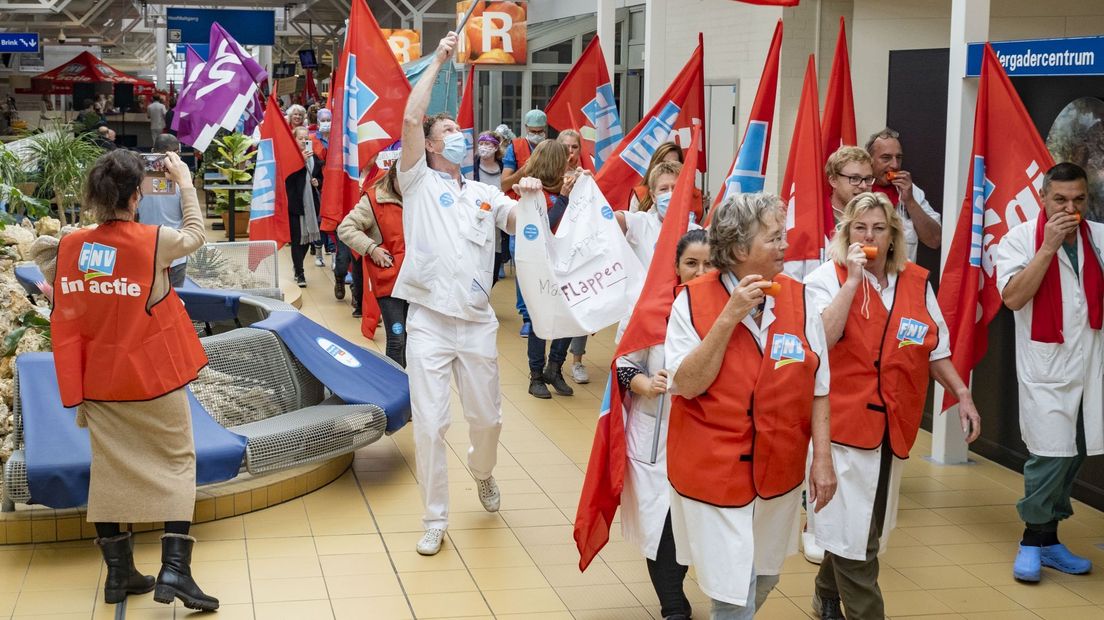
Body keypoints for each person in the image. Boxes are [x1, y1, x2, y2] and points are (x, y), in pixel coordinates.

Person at [44, 150, 217, 610]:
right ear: (136, 196)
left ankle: (119, 576)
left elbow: (66, 295)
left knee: (109, 469)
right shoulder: (152, 239)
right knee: (178, 461)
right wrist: (183, 181)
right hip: (150, 379)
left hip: (99, 382)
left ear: (95, 196)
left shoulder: (72, 245)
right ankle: (175, 571)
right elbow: (197, 235)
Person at [804, 192, 981, 620]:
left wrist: (963, 393)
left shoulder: (916, 282)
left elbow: (932, 347)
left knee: (865, 526)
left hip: (893, 426)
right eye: (860, 228)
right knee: (856, 541)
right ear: (845, 233)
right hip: (842, 429)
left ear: (893, 236)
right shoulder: (825, 278)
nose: (869, 236)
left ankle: (826, 590)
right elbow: (820, 342)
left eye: (879, 228)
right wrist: (852, 282)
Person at [664, 192, 836, 618]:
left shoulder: (801, 298)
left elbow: (819, 386)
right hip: (715, 469)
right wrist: (730, 316)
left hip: (779, 467)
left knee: (766, 573)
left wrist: (823, 460)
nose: (785, 245)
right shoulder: (690, 300)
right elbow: (686, 384)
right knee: (733, 591)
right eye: (775, 238)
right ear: (740, 249)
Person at [397, 31, 531, 556]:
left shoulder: (482, 193)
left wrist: (535, 202)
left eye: (460, 131)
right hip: (428, 320)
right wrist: (438, 60)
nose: (458, 136)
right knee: (430, 425)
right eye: (448, 131)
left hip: (475, 322)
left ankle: (483, 472)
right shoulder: (416, 183)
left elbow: (516, 220)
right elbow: (411, 118)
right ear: (431, 145)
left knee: (488, 420)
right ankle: (434, 519)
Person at [996, 162, 1103, 583]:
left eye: (1078, 199)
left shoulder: (1098, 240)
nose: (1070, 208)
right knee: (1047, 457)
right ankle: (1030, 539)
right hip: (1047, 367)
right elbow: (1013, 298)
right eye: (1060, 199)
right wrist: (1047, 248)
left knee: (1074, 452)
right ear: (1042, 197)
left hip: (1090, 368)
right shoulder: (1019, 239)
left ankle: (1049, 541)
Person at [619, 228, 713, 620]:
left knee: (698, 521)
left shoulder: (731, 312)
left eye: (709, 263)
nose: (700, 271)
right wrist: (648, 384)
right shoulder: (650, 309)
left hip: (707, 437)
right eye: (691, 263)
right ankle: (673, 605)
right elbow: (624, 366)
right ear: (676, 266)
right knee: (663, 524)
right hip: (656, 435)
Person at [516, 139, 577, 400]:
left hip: (565, 267)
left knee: (570, 319)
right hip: (538, 269)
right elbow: (544, 230)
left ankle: (555, 368)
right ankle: (536, 376)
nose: (568, 162)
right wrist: (563, 199)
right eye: (563, 159)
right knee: (540, 322)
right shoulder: (533, 193)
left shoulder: (567, 187)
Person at [338, 164, 406, 365]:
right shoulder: (374, 199)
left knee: (413, 338)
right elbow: (346, 228)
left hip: (417, 279)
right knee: (397, 337)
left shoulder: (423, 196)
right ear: (393, 176)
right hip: (390, 281)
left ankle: (410, 385)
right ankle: (394, 390)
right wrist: (371, 248)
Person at [866, 128, 942, 261]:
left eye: (898, 158)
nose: (895, 165)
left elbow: (934, 240)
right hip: (865, 276)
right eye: (886, 158)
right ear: (869, 160)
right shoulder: (859, 189)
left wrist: (910, 201)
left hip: (902, 278)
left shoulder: (911, 191)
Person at [616, 161, 702, 269]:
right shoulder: (641, 223)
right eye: (664, 189)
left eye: (676, 188)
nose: (670, 194)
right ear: (653, 196)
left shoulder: (697, 233)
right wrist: (588, 189)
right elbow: (606, 218)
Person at [556, 129, 591, 382]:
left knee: (582, 305)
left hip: (579, 249)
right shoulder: (548, 177)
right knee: (558, 308)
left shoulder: (587, 178)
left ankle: (577, 360)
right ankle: (550, 363)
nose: (570, 152)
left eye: (574, 147)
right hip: (556, 250)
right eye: (566, 147)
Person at [137, 134, 189, 287]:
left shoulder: (137, 182)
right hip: (175, 253)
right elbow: (189, 216)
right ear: (177, 154)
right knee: (176, 302)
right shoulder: (183, 184)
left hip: (146, 250)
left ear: (153, 151)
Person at [286, 126, 324, 287]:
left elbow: (320, 178)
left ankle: (297, 265)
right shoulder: (291, 158)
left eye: (305, 138)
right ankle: (300, 272)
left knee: (309, 240)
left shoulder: (314, 157)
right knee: (297, 240)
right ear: (294, 140)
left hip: (312, 205)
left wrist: (318, 182)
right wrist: (299, 161)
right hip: (296, 204)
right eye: (300, 138)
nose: (303, 141)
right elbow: (287, 178)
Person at [473, 131, 510, 286]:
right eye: (481, 143)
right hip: (477, 223)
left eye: (488, 144)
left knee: (493, 273)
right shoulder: (471, 167)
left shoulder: (504, 168)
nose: (484, 147)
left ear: (496, 147)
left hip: (497, 228)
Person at [825, 146, 875, 227]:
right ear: (833, 180)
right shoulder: (818, 219)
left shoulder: (879, 218)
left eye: (868, 179)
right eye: (855, 178)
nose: (864, 186)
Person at [500, 108, 547, 192]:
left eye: (540, 131)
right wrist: (523, 171)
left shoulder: (551, 148)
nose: (536, 135)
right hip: (521, 198)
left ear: (545, 128)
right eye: (533, 131)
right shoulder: (515, 147)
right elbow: (504, 185)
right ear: (526, 127)